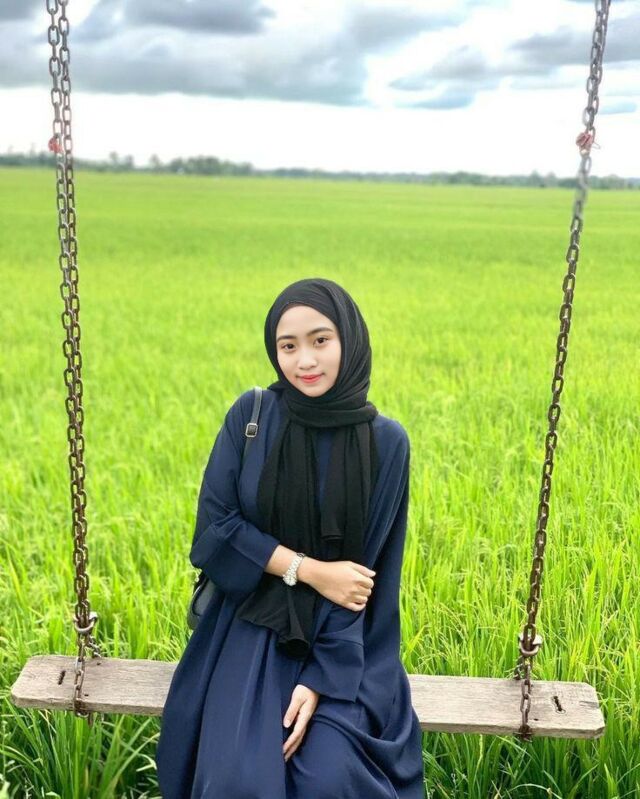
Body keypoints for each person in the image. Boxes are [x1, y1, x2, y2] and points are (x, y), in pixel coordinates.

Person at [155, 277, 425, 798]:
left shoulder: (385, 443)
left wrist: (323, 677)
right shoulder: (252, 418)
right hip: (248, 623)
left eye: (320, 340)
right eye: (288, 346)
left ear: (349, 338)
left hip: (344, 639)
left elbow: (364, 580)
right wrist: (309, 571)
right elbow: (216, 530)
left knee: (331, 777)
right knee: (238, 779)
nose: (305, 360)